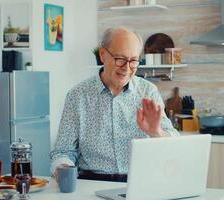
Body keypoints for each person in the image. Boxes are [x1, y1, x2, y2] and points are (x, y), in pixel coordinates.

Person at [50, 26, 179, 182]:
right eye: (120, 59)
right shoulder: (77, 96)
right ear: (103, 55)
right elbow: (62, 151)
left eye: (133, 61)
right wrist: (62, 169)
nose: (126, 68)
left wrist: (156, 131)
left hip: (140, 182)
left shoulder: (148, 92)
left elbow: (174, 145)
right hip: (91, 183)